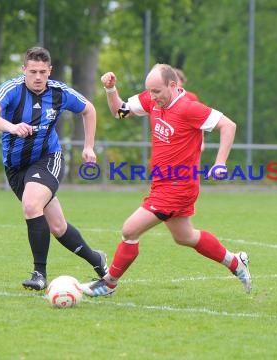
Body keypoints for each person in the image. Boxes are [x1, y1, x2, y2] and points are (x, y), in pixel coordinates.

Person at [81, 63, 251, 296]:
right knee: (185, 236)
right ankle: (236, 262)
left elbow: (228, 125)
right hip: (162, 183)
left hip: (178, 186)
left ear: (172, 85)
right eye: (149, 91)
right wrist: (111, 90)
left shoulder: (189, 108)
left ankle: (108, 283)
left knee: (130, 230)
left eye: (157, 91)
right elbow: (119, 111)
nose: (152, 97)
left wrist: (220, 163)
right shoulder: (153, 99)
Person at [0, 46, 108, 291]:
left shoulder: (59, 92)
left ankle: (39, 273)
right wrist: (11, 126)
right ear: (23, 69)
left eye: (43, 72)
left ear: (50, 71)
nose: (38, 77)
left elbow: (88, 109)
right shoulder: (11, 90)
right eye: (33, 71)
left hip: (48, 157)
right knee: (58, 227)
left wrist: (89, 146)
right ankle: (97, 260)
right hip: (16, 168)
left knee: (31, 204)